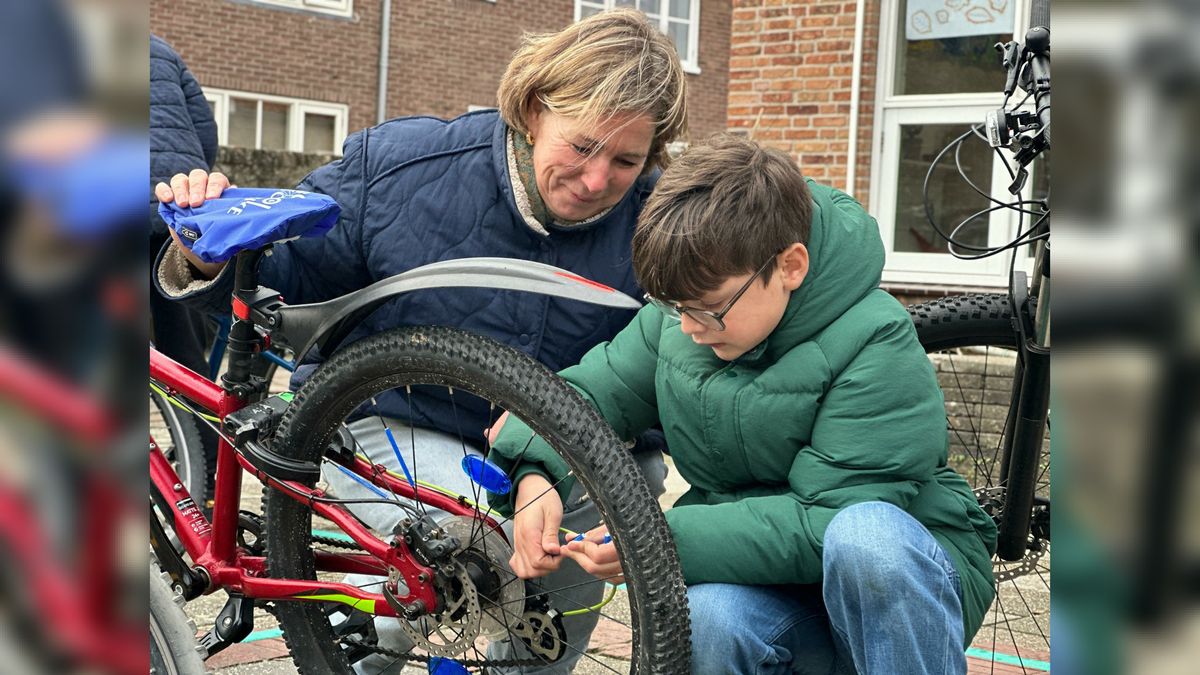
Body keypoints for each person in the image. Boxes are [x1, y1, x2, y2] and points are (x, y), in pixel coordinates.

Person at [153, 8, 687, 673]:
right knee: (457, 561)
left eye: (627, 159)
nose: (599, 178)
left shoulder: (657, 227)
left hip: (570, 448)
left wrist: (563, 477)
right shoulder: (403, 170)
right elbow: (286, 279)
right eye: (581, 147)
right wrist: (204, 255)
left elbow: (670, 387)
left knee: (560, 593)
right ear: (532, 108)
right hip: (397, 422)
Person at [487, 134, 998, 674]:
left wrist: (656, 540)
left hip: (890, 591)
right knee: (707, 618)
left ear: (790, 266)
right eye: (674, 305)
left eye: (708, 309)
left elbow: (828, 522)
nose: (688, 328)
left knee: (865, 538)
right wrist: (535, 470)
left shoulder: (876, 341)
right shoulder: (687, 317)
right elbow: (590, 394)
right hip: (769, 585)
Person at [150, 34, 219, 378]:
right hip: (174, 205)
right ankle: (201, 427)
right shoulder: (161, 50)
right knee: (183, 343)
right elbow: (205, 130)